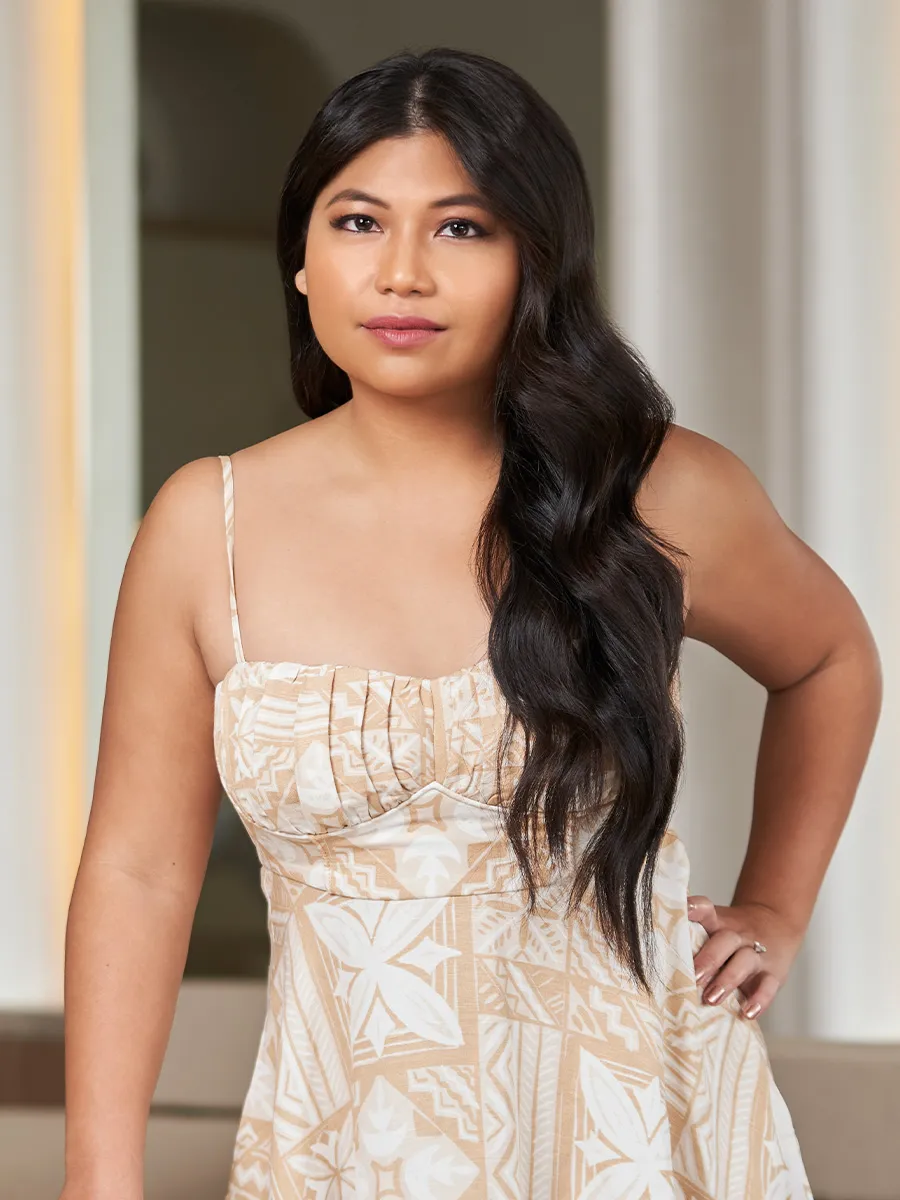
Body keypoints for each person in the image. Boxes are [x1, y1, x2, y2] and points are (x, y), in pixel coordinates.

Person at [61, 46, 880, 1200]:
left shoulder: (654, 493)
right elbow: (140, 872)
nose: (401, 273)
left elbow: (831, 658)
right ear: (301, 258)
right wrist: (99, 1177)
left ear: (534, 262)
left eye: (461, 228)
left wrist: (777, 908)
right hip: (342, 1150)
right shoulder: (209, 525)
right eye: (358, 222)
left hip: (637, 1137)